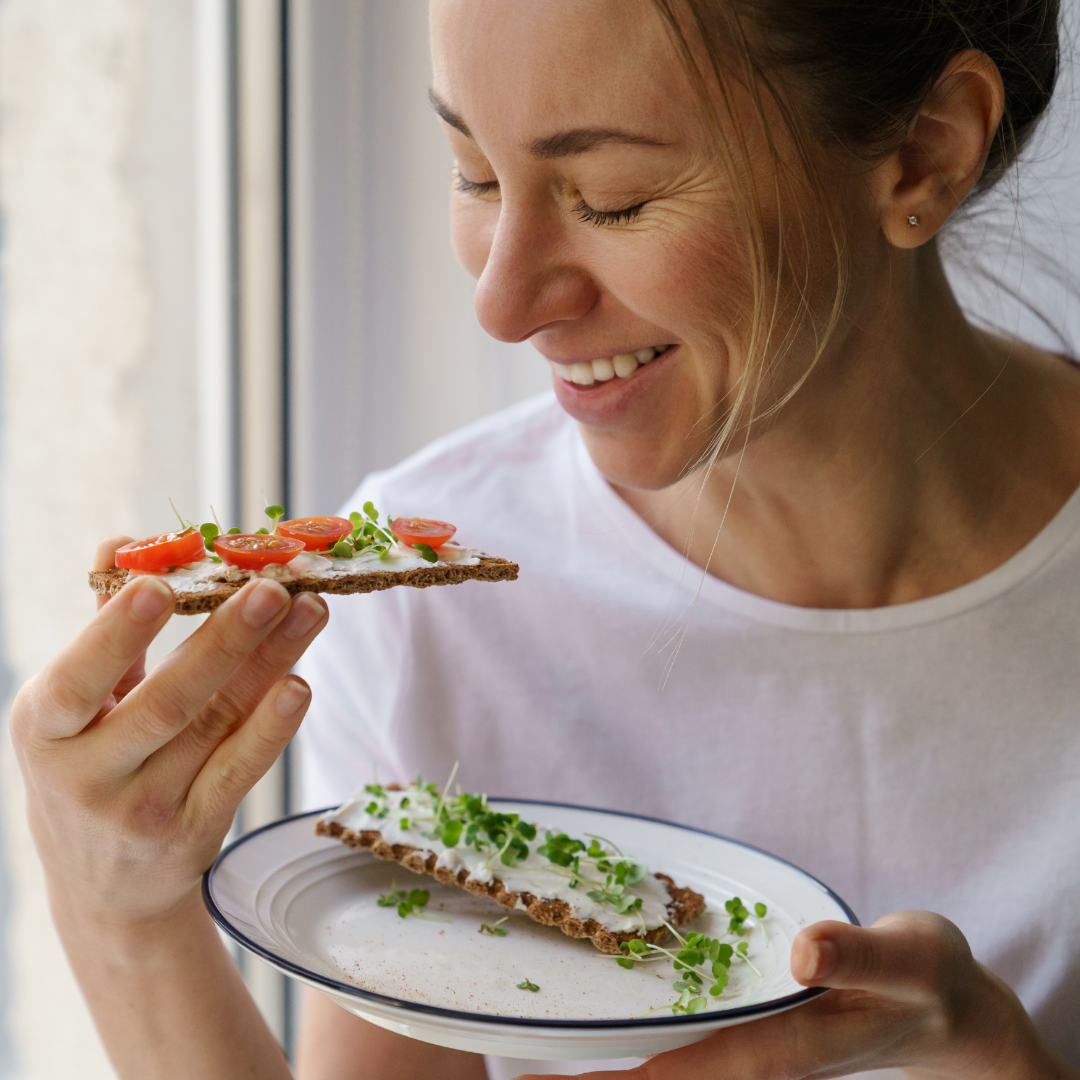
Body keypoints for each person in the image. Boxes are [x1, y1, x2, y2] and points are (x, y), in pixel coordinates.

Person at [10, 0, 1080, 1077]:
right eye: (473, 173)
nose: (502, 302)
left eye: (613, 199)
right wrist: (123, 917)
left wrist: (992, 1053)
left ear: (923, 155)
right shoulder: (440, 623)